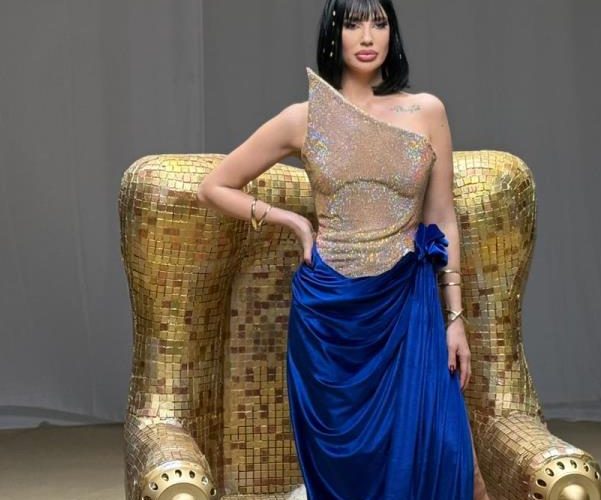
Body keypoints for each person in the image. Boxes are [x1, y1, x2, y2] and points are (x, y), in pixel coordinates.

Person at [197, 1, 489, 498]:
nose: (368, 36)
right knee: (349, 468)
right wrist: (291, 221)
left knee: (441, 448)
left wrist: (454, 319)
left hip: (407, 303)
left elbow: (441, 218)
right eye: (353, 24)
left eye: (379, 22)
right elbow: (214, 186)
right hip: (331, 316)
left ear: (393, 33)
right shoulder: (305, 118)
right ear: (334, 35)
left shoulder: (427, 111)